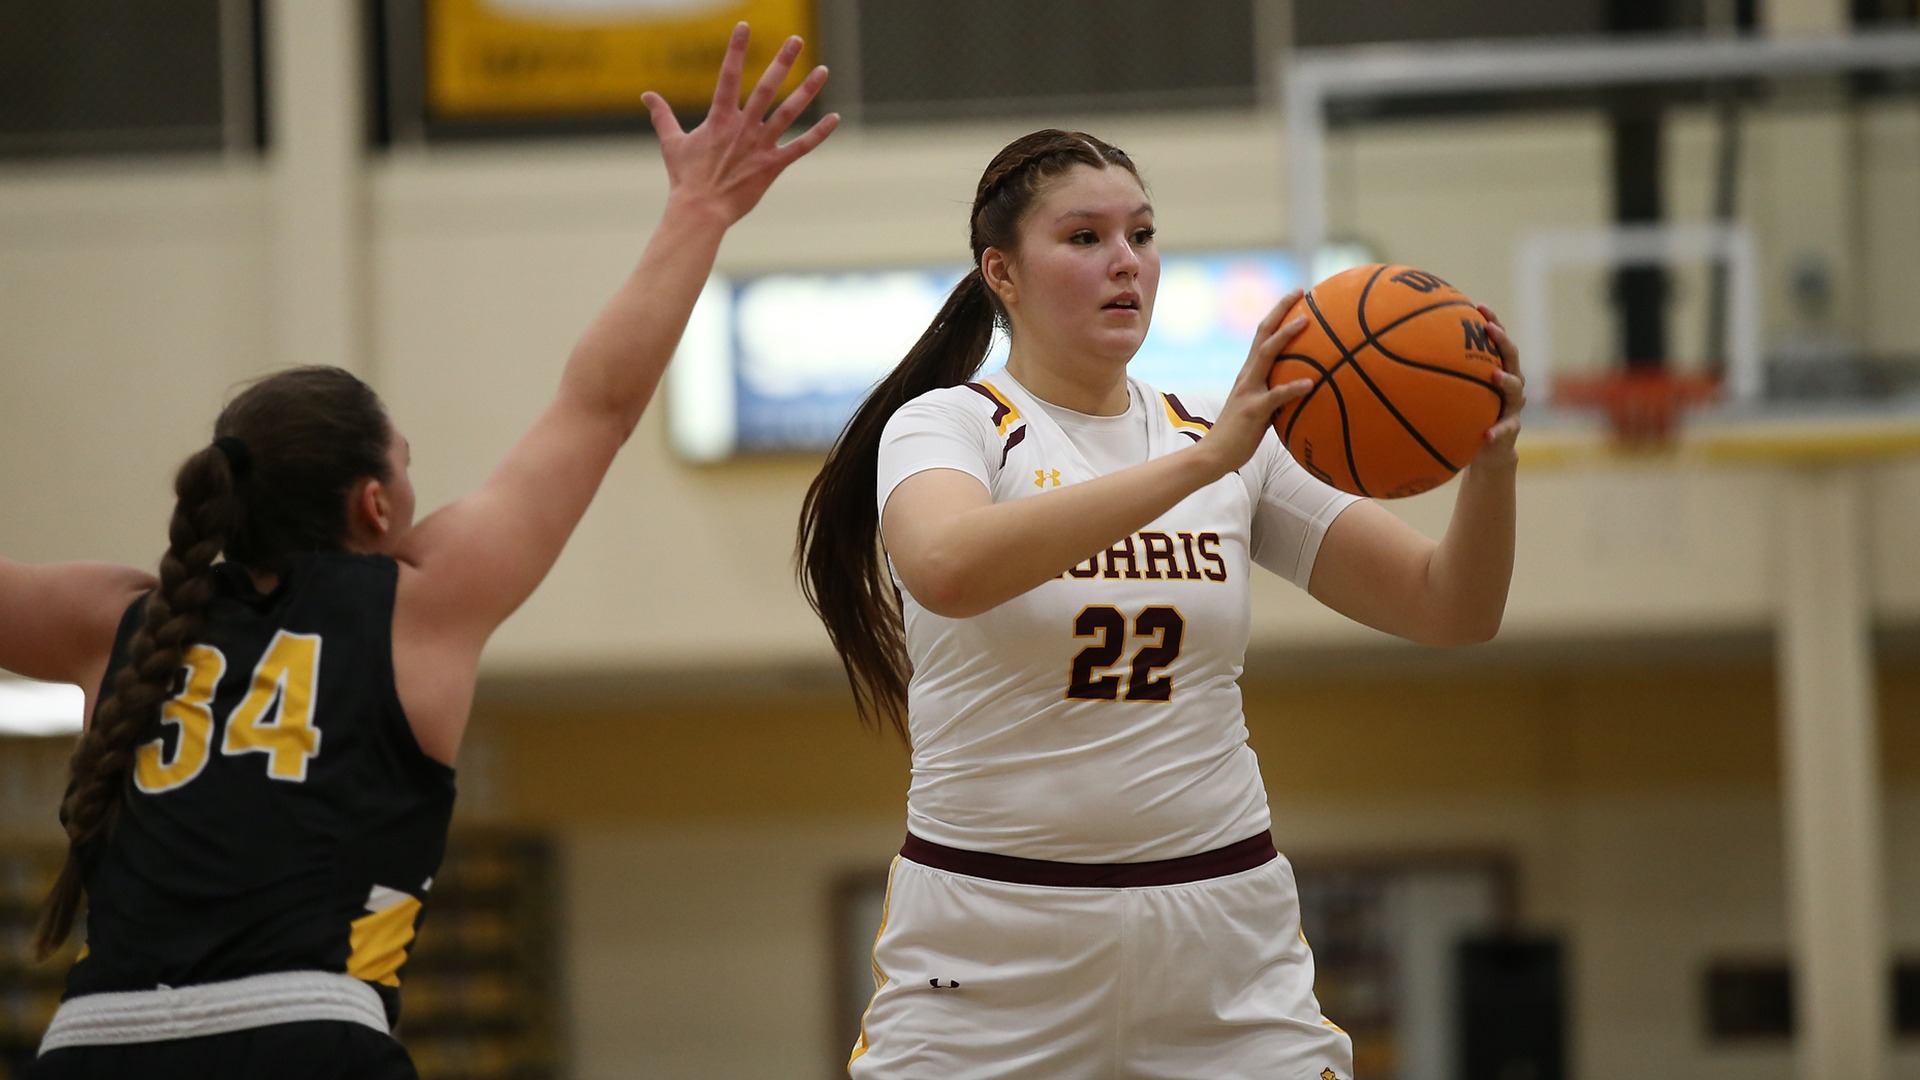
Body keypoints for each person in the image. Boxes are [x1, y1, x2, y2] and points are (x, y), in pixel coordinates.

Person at [0, 25, 835, 1080]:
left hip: (90, 1044)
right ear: (376, 502)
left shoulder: (112, 615)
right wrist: (700, 209)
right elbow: (600, 406)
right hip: (300, 1036)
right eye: (410, 464)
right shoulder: (416, 603)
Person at [796, 130, 1524, 1078]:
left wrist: (1492, 465)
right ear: (1002, 272)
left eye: (1141, 234)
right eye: (1085, 237)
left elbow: (1450, 609)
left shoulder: (1226, 446)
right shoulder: (954, 423)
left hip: (1221, 929)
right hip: (992, 937)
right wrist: (1203, 463)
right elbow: (947, 566)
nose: (1124, 262)